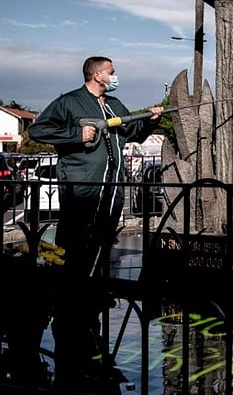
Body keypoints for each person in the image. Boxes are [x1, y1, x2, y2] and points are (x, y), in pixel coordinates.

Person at [28, 56, 162, 391]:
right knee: (73, 246)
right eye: (112, 71)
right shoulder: (70, 102)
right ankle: (68, 306)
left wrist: (149, 120)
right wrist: (77, 133)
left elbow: (131, 130)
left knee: (100, 246)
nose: (116, 76)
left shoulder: (114, 103)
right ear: (97, 74)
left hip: (111, 193)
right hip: (82, 189)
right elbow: (38, 129)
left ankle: (86, 302)